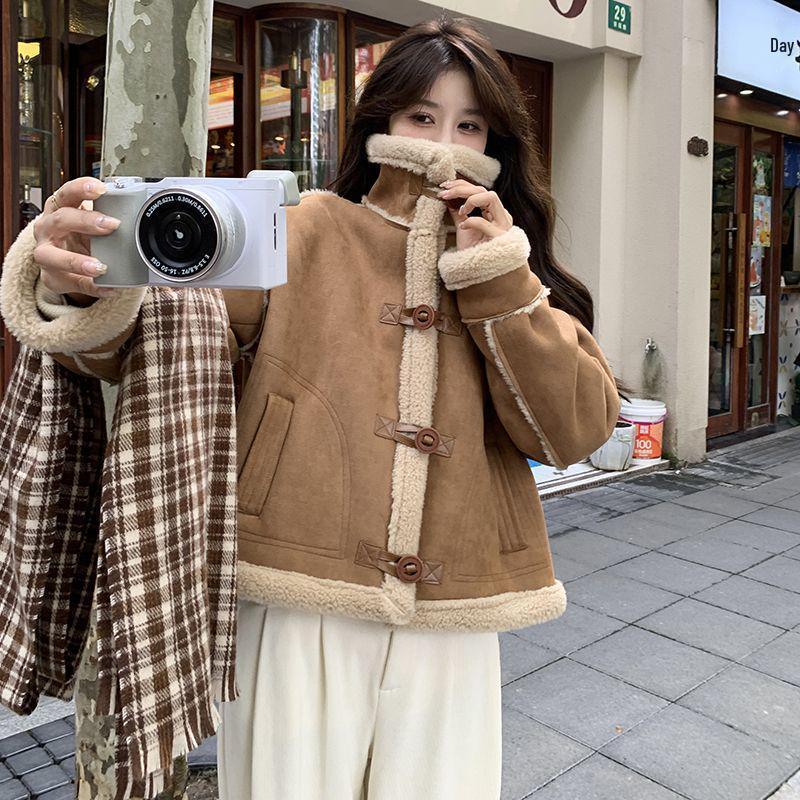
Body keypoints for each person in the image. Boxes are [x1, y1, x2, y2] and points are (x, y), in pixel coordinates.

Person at [1, 15, 621, 800]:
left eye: (470, 123)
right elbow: (152, 343)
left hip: (455, 608)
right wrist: (69, 283)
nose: (445, 141)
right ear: (380, 122)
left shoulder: (508, 265)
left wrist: (497, 277)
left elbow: (577, 429)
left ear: (498, 143)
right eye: (422, 116)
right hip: (297, 598)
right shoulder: (302, 231)